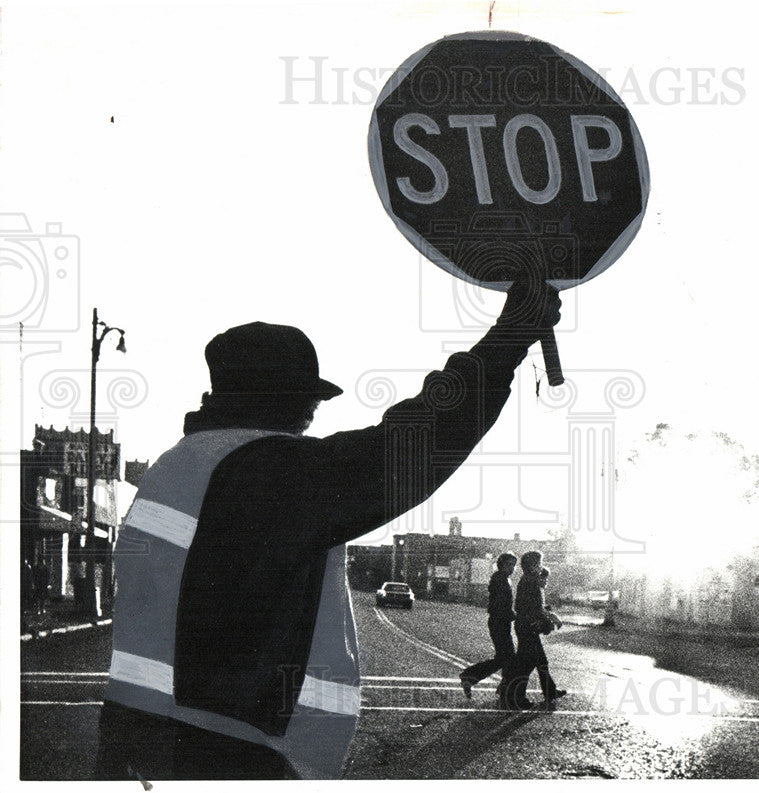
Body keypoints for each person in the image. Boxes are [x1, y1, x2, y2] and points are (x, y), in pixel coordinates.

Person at [97, 281, 561, 780]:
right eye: (310, 401)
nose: (313, 416)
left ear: (217, 394)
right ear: (295, 403)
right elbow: (419, 441)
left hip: (139, 733)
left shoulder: (174, 468)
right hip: (236, 744)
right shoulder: (269, 470)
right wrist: (510, 336)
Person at [505, 552, 567, 710]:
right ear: (532, 566)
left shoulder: (530, 580)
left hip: (525, 625)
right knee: (528, 663)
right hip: (528, 626)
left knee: (540, 661)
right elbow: (531, 607)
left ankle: (550, 691)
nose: (541, 566)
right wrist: (551, 617)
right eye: (539, 563)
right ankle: (516, 697)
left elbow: (532, 605)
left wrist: (547, 615)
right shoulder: (530, 582)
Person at [458, 552, 517, 700]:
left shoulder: (504, 579)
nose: (512, 568)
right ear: (502, 565)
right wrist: (514, 614)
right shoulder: (499, 580)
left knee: (505, 657)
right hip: (499, 621)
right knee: (506, 657)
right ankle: (470, 676)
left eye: (514, 565)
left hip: (501, 621)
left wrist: (511, 614)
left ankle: (500, 686)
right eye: (509, 564)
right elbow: (500, 605)